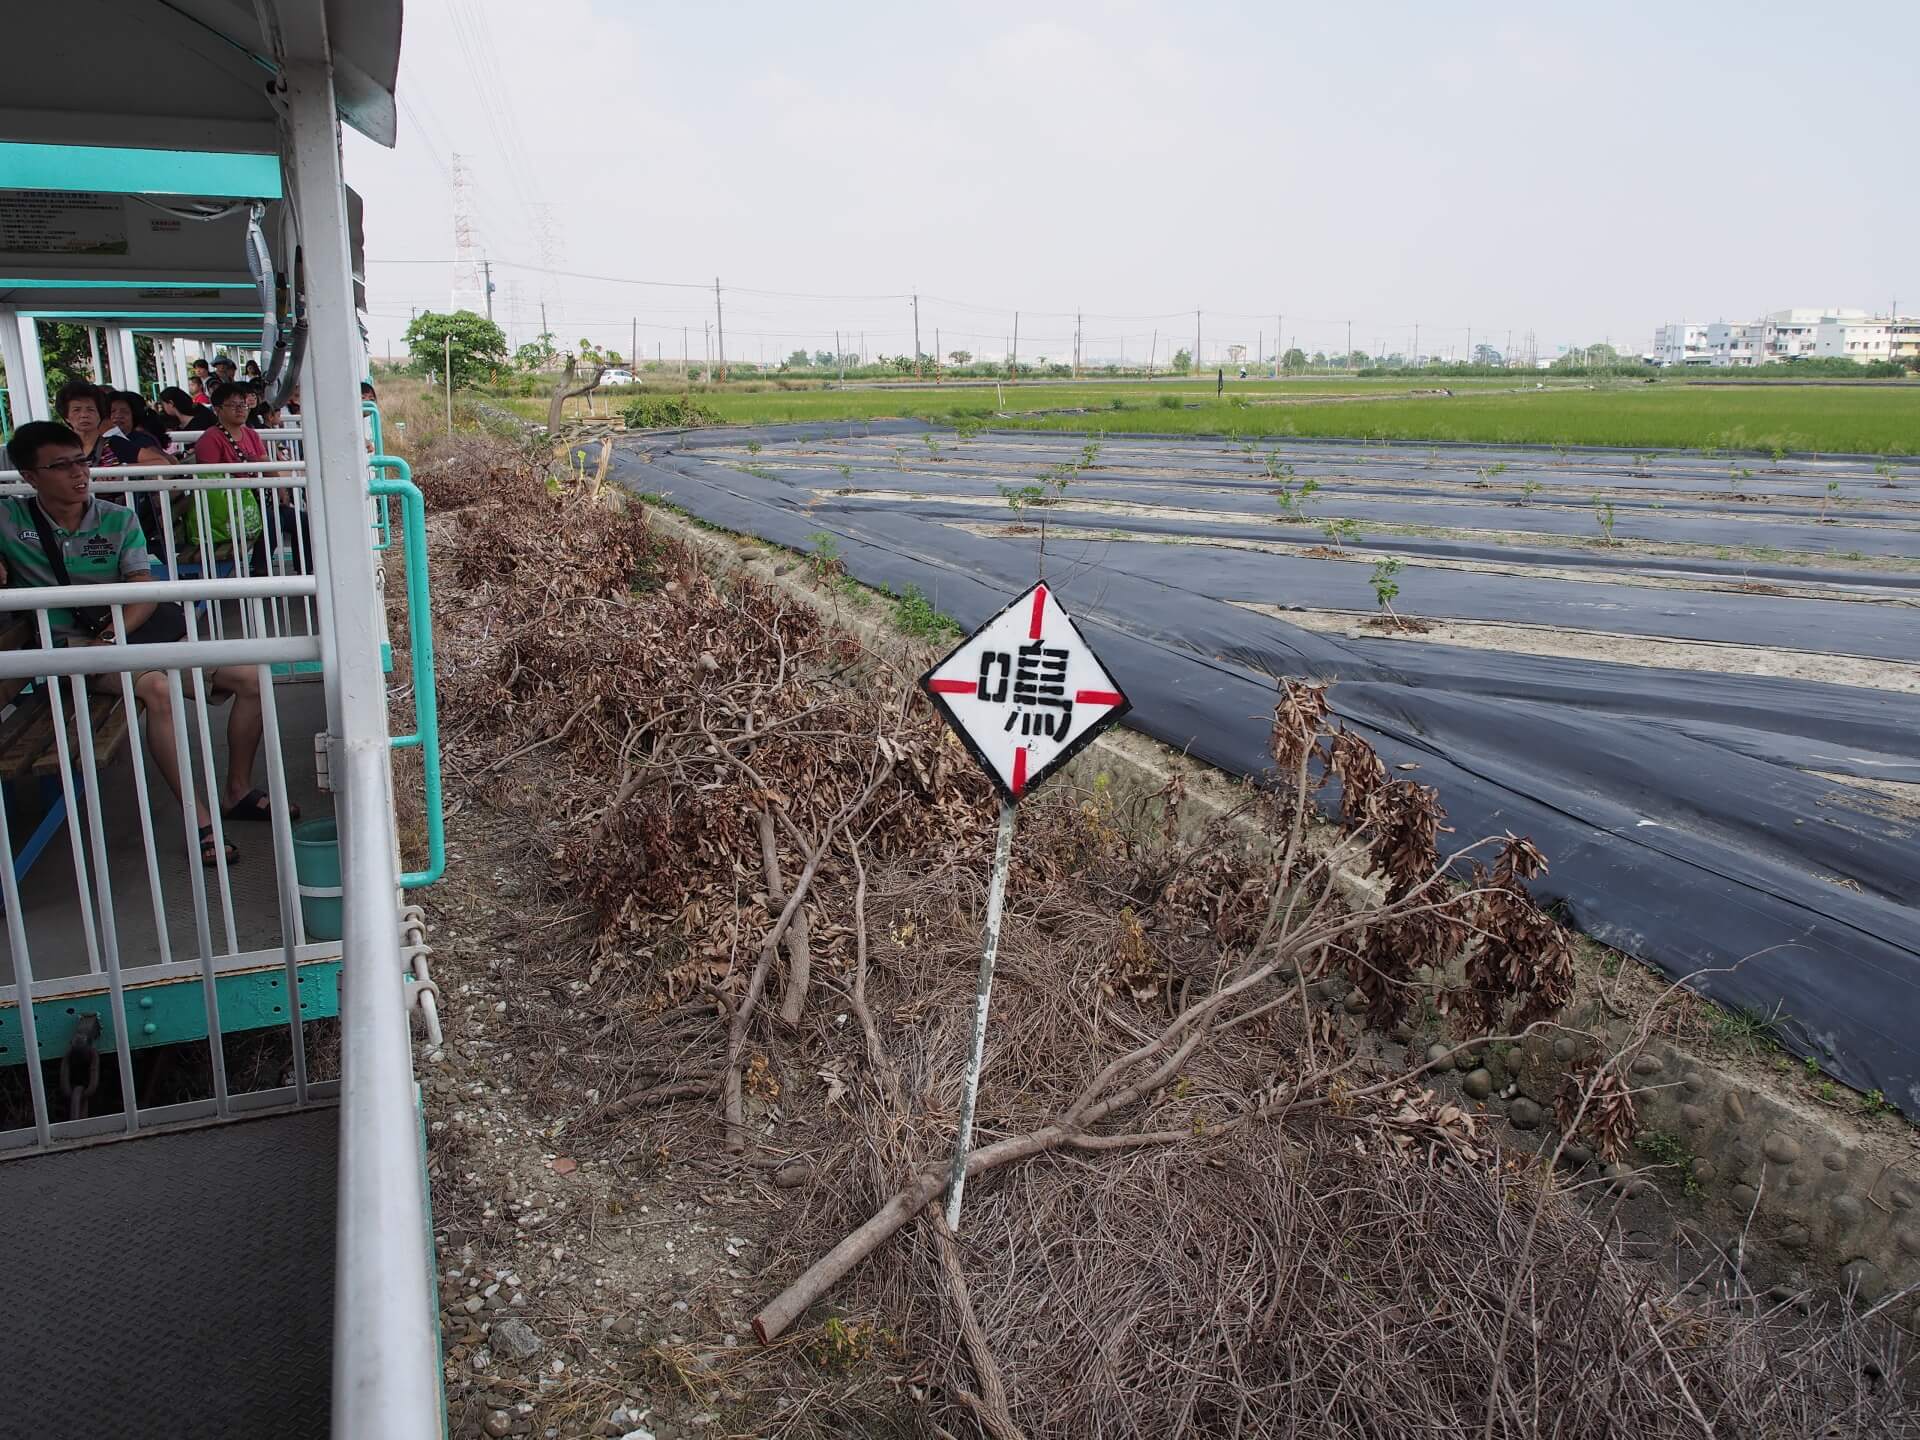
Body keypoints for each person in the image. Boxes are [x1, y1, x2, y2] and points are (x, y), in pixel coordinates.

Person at [1, 421, 292, 865]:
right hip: (68, 651)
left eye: (81, 460)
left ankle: (236, 790)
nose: (79, 473)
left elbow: (141, 587)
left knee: (252, 677)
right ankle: (200, 819)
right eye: (60, 466)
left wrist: (112, 636)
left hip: (121, 638)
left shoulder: (118, 518)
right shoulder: (10, 520)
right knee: (157, 688)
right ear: (29, 477)